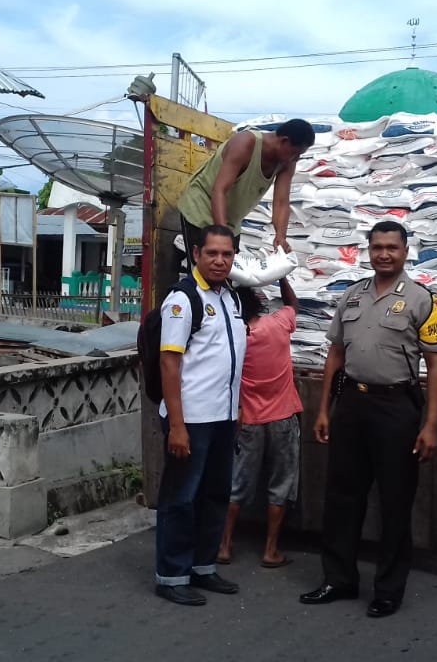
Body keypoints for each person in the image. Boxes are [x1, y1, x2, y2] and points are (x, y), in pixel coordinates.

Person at [299, 220, 437, 619]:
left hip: (396, 408)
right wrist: (325, 409)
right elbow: (335, 355)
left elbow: (435, 366)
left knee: (396, 500)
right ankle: (339, 579)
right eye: (377, 246)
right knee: (342, 497)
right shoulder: (351, 296)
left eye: (392, 247)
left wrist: (430, 424)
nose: (384, 253)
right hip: (352, 405)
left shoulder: (422, 301)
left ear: (405, 252)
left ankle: (388, 589)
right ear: (368, 250)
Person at [154, 225, 248, 606]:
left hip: (222, 418)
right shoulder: (183, 298)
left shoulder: (231, 298)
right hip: (190, 419)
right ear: (196, 254)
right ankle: (172, 575)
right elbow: (169, 363)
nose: (220, 261)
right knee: (181, 498)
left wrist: (235, 408)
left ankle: (202, 567)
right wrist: (176, 425)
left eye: (227, 254)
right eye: (212, 253)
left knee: (215, 495)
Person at [217, 277, 302, 569]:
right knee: (281, 484)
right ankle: (270, 550)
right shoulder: (278, 325)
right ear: (259, 304)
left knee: (237, 484)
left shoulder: (235, 337)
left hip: (248, 421)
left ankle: (225, 546)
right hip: (282, 418)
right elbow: (293, 304)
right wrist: (281, 276)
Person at [177, 119, 314, 257]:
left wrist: (280, 237)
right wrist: (223, 238)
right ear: (284, 141)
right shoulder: (246, 143)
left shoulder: (287, 162)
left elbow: (281, 202)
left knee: (225, 272)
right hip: (201, 209)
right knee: (203, 271)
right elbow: (219, 190)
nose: (296, 159)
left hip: (230, 222)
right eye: (296, 153)